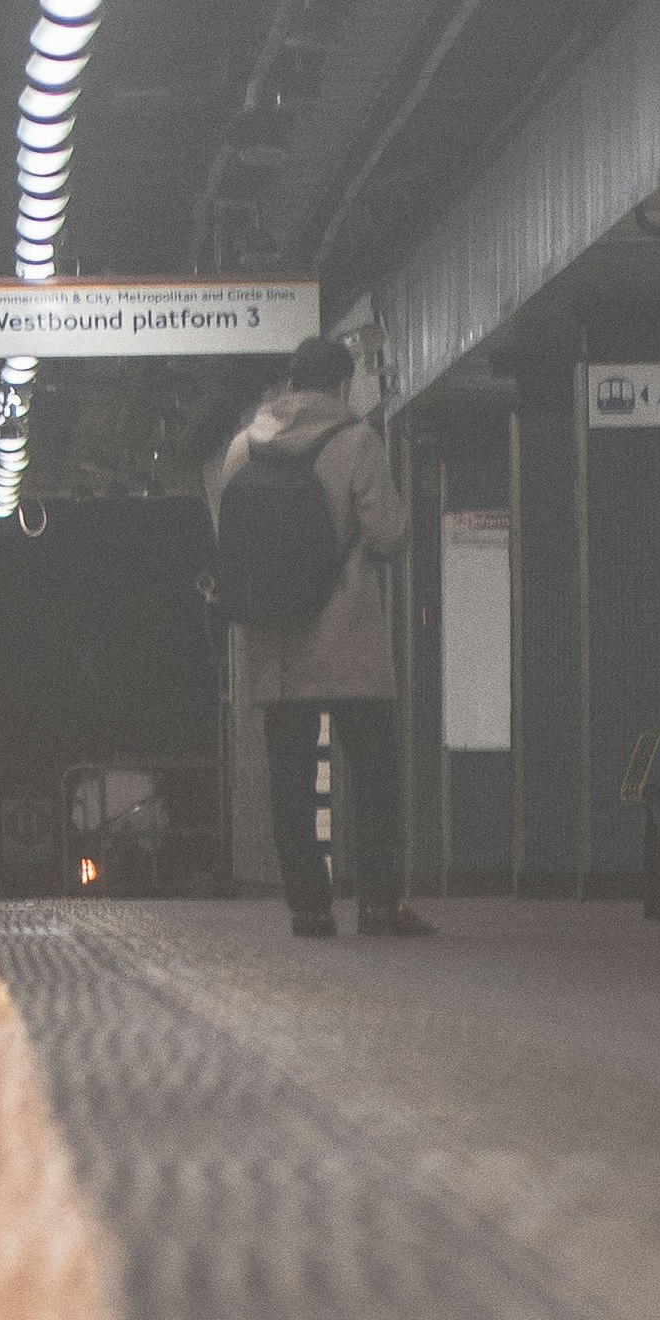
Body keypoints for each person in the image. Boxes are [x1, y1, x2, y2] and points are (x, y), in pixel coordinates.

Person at [209, 332, 423, 939]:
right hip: (347, 631)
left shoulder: (241, 449)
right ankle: (379, 906)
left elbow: (233, 541)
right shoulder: (356, 440)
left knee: (291, 779)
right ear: (342, 385)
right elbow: (387, 533)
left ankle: (308, 907)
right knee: (374, 773)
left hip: (275, 641)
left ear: (288, 386)